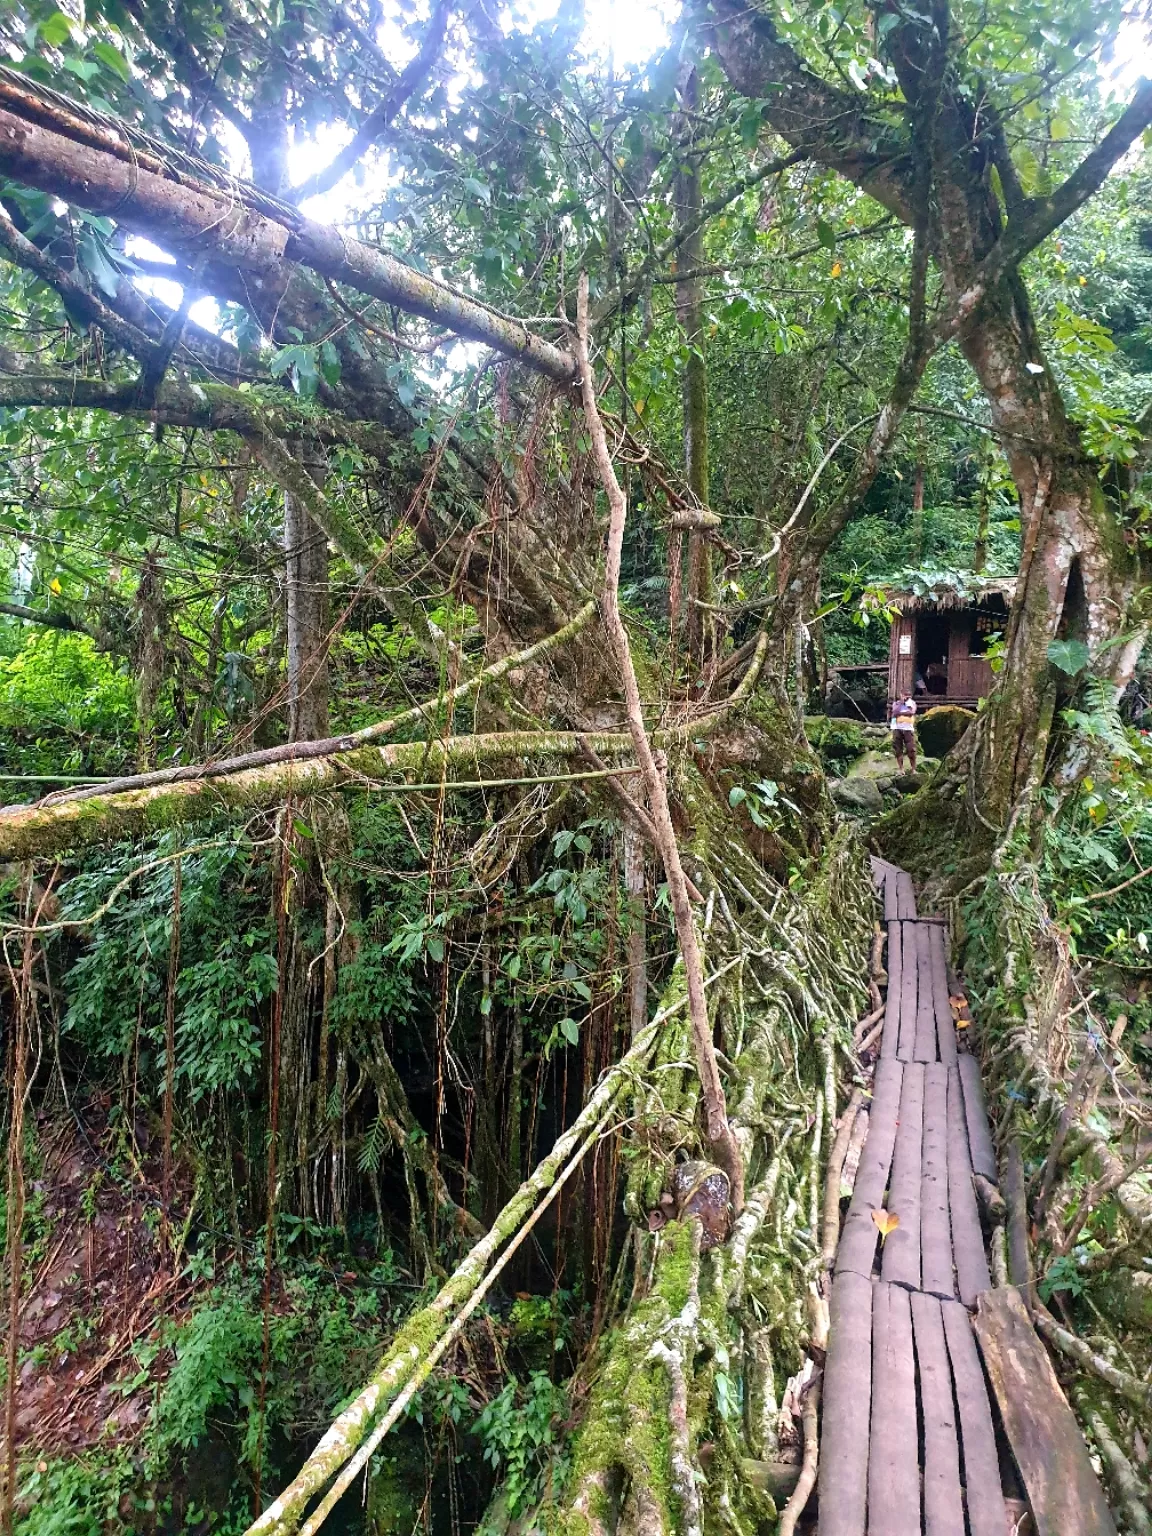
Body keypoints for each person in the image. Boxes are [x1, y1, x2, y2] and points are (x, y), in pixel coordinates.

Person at [890, 693, 918, 773]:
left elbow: (911, 713)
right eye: (904, 695)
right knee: (898, 749)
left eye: (908, 695)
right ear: (901, 695)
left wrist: (900, 713)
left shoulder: (912, 703)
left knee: (911, 749)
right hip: (896, 727)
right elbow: (894, 712)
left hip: (908, 728)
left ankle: (913, 769)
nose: (906, 697)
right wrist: (901, 704)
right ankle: (901, 769)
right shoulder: (896, 703)